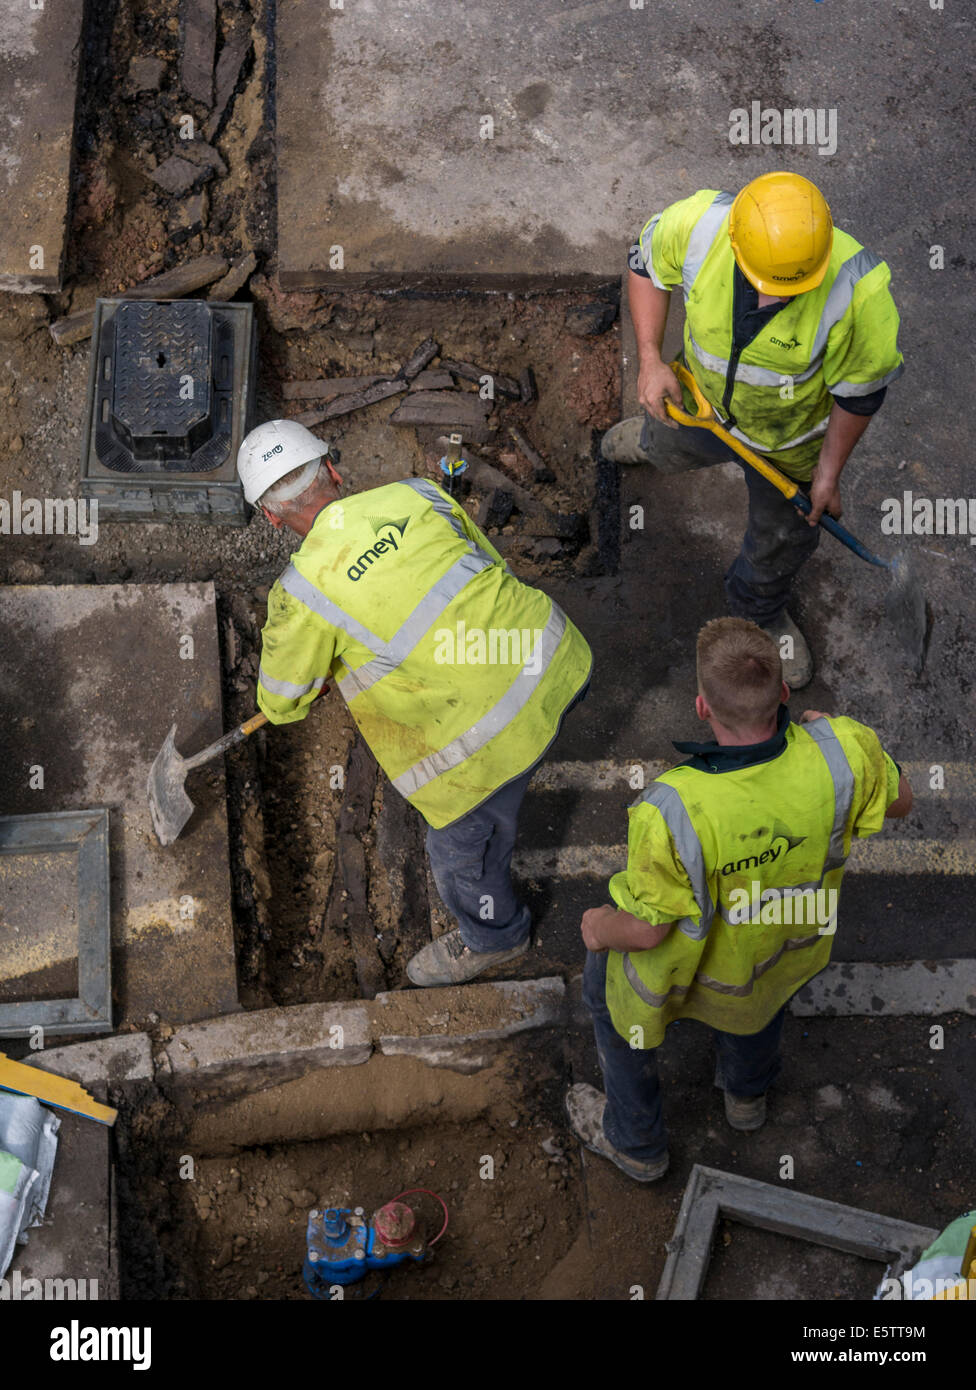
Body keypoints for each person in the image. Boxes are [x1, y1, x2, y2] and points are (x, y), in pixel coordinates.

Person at [237, 419, 592, 987]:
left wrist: (324, 667)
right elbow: (488, 563)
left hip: (488, 739)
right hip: (559, 657)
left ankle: (494, 939)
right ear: (333, 470)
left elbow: (282, 703)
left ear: (274, 518)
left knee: (458, 858)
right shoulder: (416, 492)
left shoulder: (300, 595)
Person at [566, 616, 912, 1181]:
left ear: (702, 707)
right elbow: (902, 803)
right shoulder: (845, 752)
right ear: (783, 692)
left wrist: (599, 926)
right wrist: (849, 743)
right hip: (779, 954)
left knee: (611, 1006)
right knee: (758, 1008)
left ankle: (638, 1145)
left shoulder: (671, 808)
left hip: (686, 972)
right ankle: (745, 1102)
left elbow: (649, 930)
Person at [602, 171, 904, 688]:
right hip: (699, 402)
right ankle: (649, 443)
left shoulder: (858, 293)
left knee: (779, 543)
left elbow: (859, 395)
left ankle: (760, 613)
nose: (774, 303)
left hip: (787, 448)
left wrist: (828, 474)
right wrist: (650, 361)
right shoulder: (697, 226)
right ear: (736, 243)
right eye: (765, 288)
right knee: (663, 436)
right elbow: (644, 265)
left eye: (788, 294)